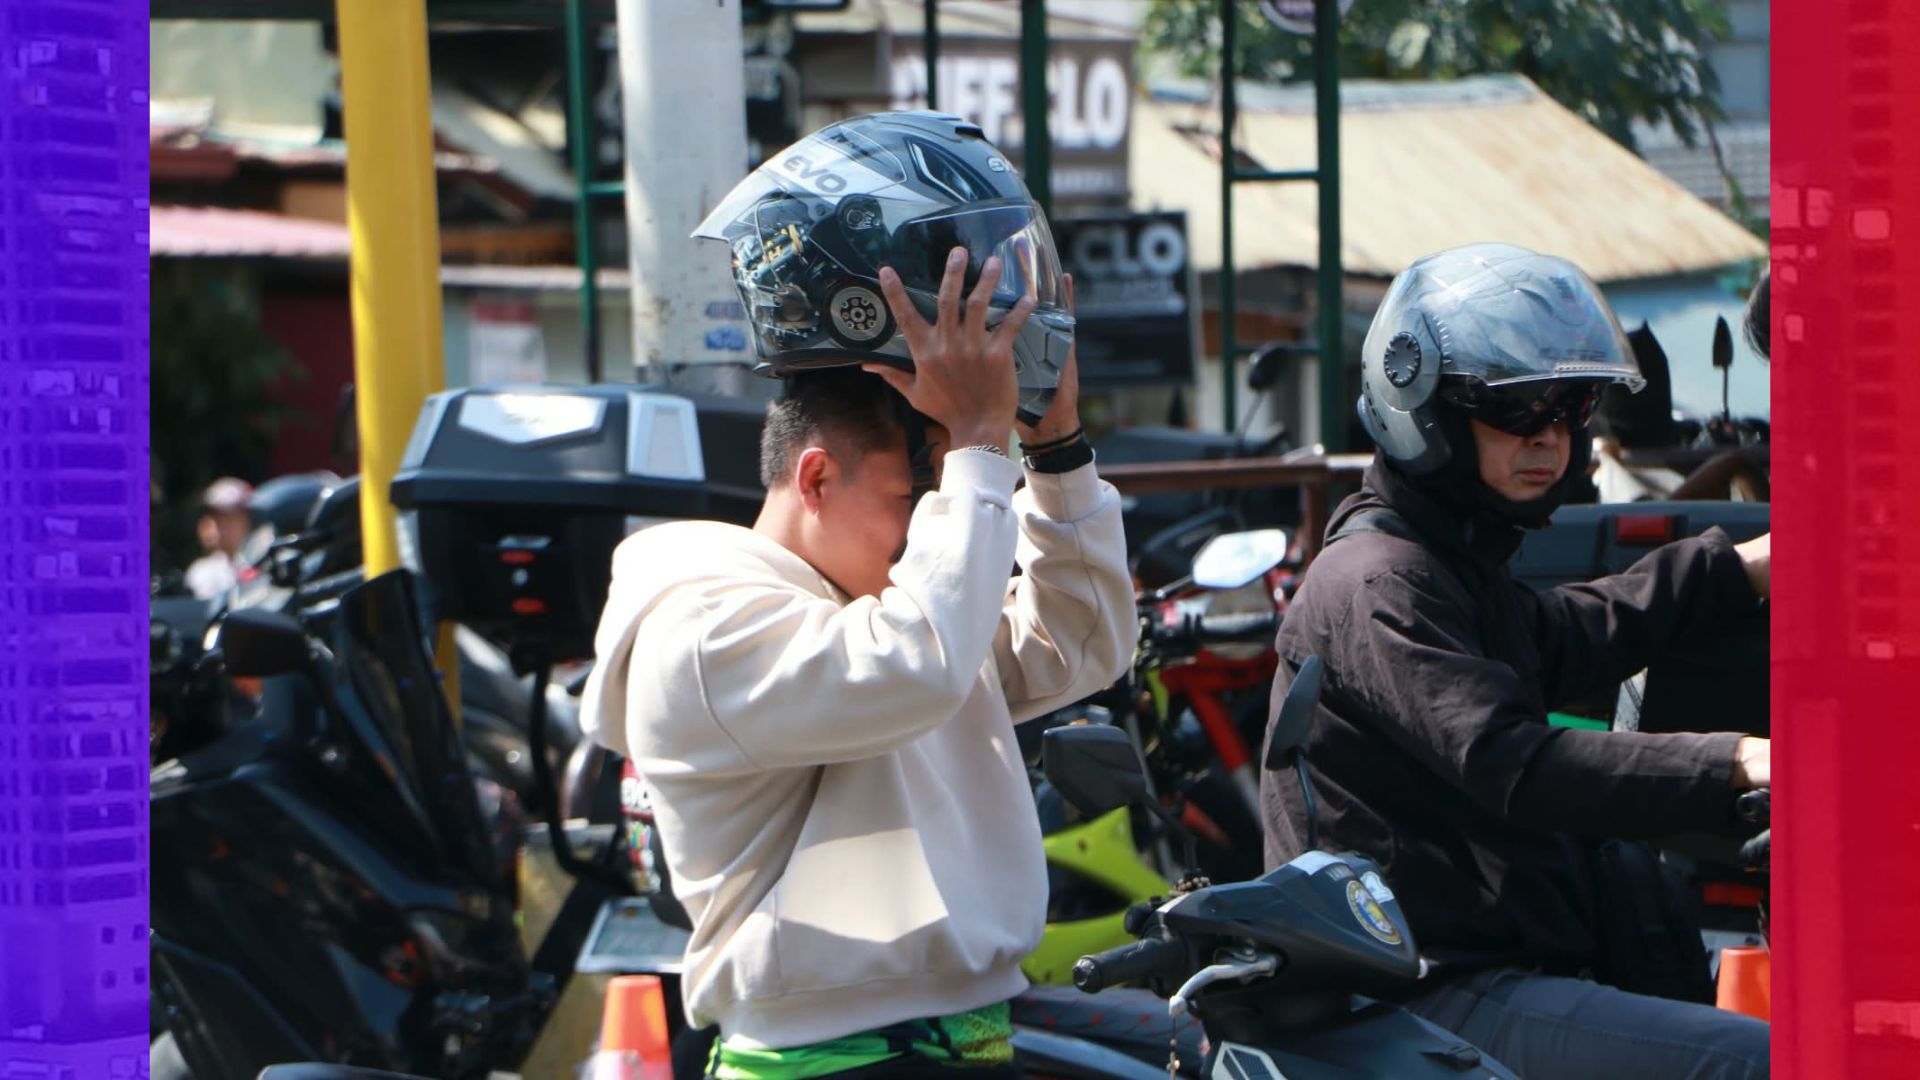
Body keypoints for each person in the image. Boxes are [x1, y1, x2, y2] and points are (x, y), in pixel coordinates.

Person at [581, 111, 1133, 1078]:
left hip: (962, 1039)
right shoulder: (705, 626)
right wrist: (971, 452)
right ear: (817, 478)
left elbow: (1081, 644)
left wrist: (1053, 449)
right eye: (914, 495)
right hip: (826, 1062)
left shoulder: (891, 615)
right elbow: (909, 670)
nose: (938, 522)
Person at [1262, 243, 1771, 1079]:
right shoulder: (1381, 581)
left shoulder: (1447, 561)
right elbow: (1517, 764)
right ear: (1423, 402)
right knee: (1769, 1062)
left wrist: (1737, 567)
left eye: (1572, 409)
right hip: (1422, 989)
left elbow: (1566, 633)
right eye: (1518, 410)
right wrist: (1739, 761)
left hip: (1476, 966)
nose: (1551, 438)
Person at [183, 476, 252, 599]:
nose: (219, 526)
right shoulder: (201, 571)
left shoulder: (266, 564)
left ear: (249, 520)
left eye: (228, 518)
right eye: (215, 517)